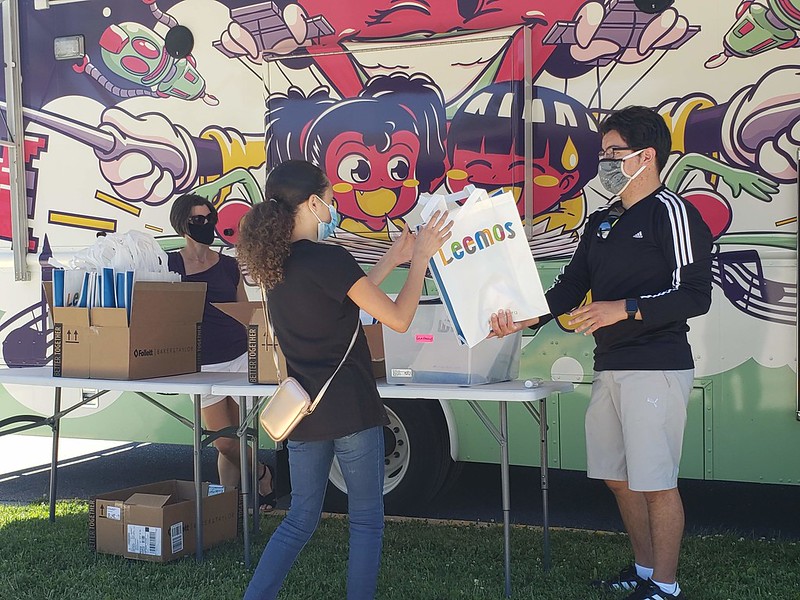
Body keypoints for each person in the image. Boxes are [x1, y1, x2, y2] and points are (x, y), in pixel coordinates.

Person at [491, 106, 712, 600]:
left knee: (655, 481)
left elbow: (696, 294)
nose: (605, 161)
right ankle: (644, 569)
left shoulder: (673, 212)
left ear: (647, 156)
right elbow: (571, 286)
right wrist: (529, 315)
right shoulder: (602, 221)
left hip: (656, 365)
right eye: (604, 152)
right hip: (609, 365)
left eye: (615, 152)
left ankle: (667, 586)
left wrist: (624, 309)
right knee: (618, 478)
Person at [236, 159, 450, 599]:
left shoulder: (273, 267)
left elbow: (352, 294)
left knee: (300, 518)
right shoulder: (329, 258)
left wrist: (394, 256)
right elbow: (397, 317)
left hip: (304, 412)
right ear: (313, 203)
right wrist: (421, 261)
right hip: (351, 408)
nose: (333, 209)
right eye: (331, 200)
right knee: (366, 519)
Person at [168, 193, 276, 511]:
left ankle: (227, 507)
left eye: (209, 218)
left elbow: (244, 310)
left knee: (241, 434)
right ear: (182, 224)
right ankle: (262, 474)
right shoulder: (170, 264)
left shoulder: (229, 266)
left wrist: (259, 349)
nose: (206, 224)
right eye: (197, 220)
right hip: (200, 363)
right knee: (224, 441)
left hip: (240, 356)